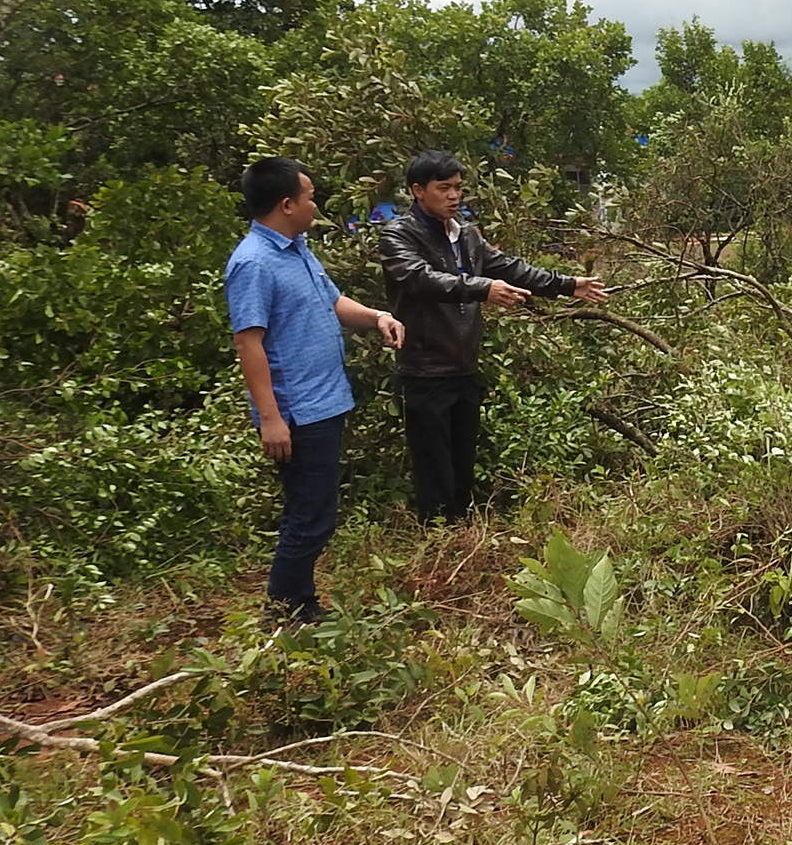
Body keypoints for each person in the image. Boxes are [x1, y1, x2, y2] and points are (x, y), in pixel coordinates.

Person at [377, 150, 607, 523]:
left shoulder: (465, 235)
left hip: (463, 367)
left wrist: (568, 284)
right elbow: (419, 279)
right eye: (444, 188)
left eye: (458, 188)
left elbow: (512, 269)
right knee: (435, 470)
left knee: (462, 464)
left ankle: (464, 534)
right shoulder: (399, 235)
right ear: (418, 191)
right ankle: (439, 542)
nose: (454, 196)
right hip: (425, 370)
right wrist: (482, 289)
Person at [225, 158, 405, 623]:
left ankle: (298, 602)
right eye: (309, 196)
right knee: (310, 516)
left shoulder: (296, 248)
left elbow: (333, 301)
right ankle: (285, 611)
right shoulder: (253, 263)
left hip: (324, 402)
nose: (314, 203)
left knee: (315, 511)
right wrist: (270, 418)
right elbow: (249, 342)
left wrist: (378, 317)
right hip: (298, 411)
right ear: (287, 204)